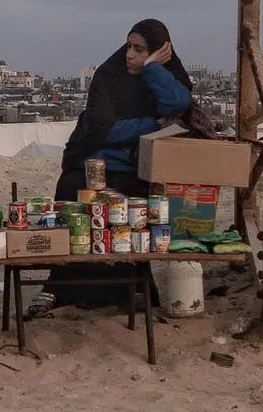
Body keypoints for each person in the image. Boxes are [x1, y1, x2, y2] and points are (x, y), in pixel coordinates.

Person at [28, 18, 204, 318]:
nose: (130, 55)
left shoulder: (158, 75)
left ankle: (133, 286)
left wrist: (151, 70)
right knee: (71, 192)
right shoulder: (108, 77)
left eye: (140, 50)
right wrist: (151, 124)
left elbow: (178, 105)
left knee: (135, 205)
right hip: (92, 161)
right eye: (129, 47)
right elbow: (104, 129)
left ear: (159, 52)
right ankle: (58, 285)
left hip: (134, 168)